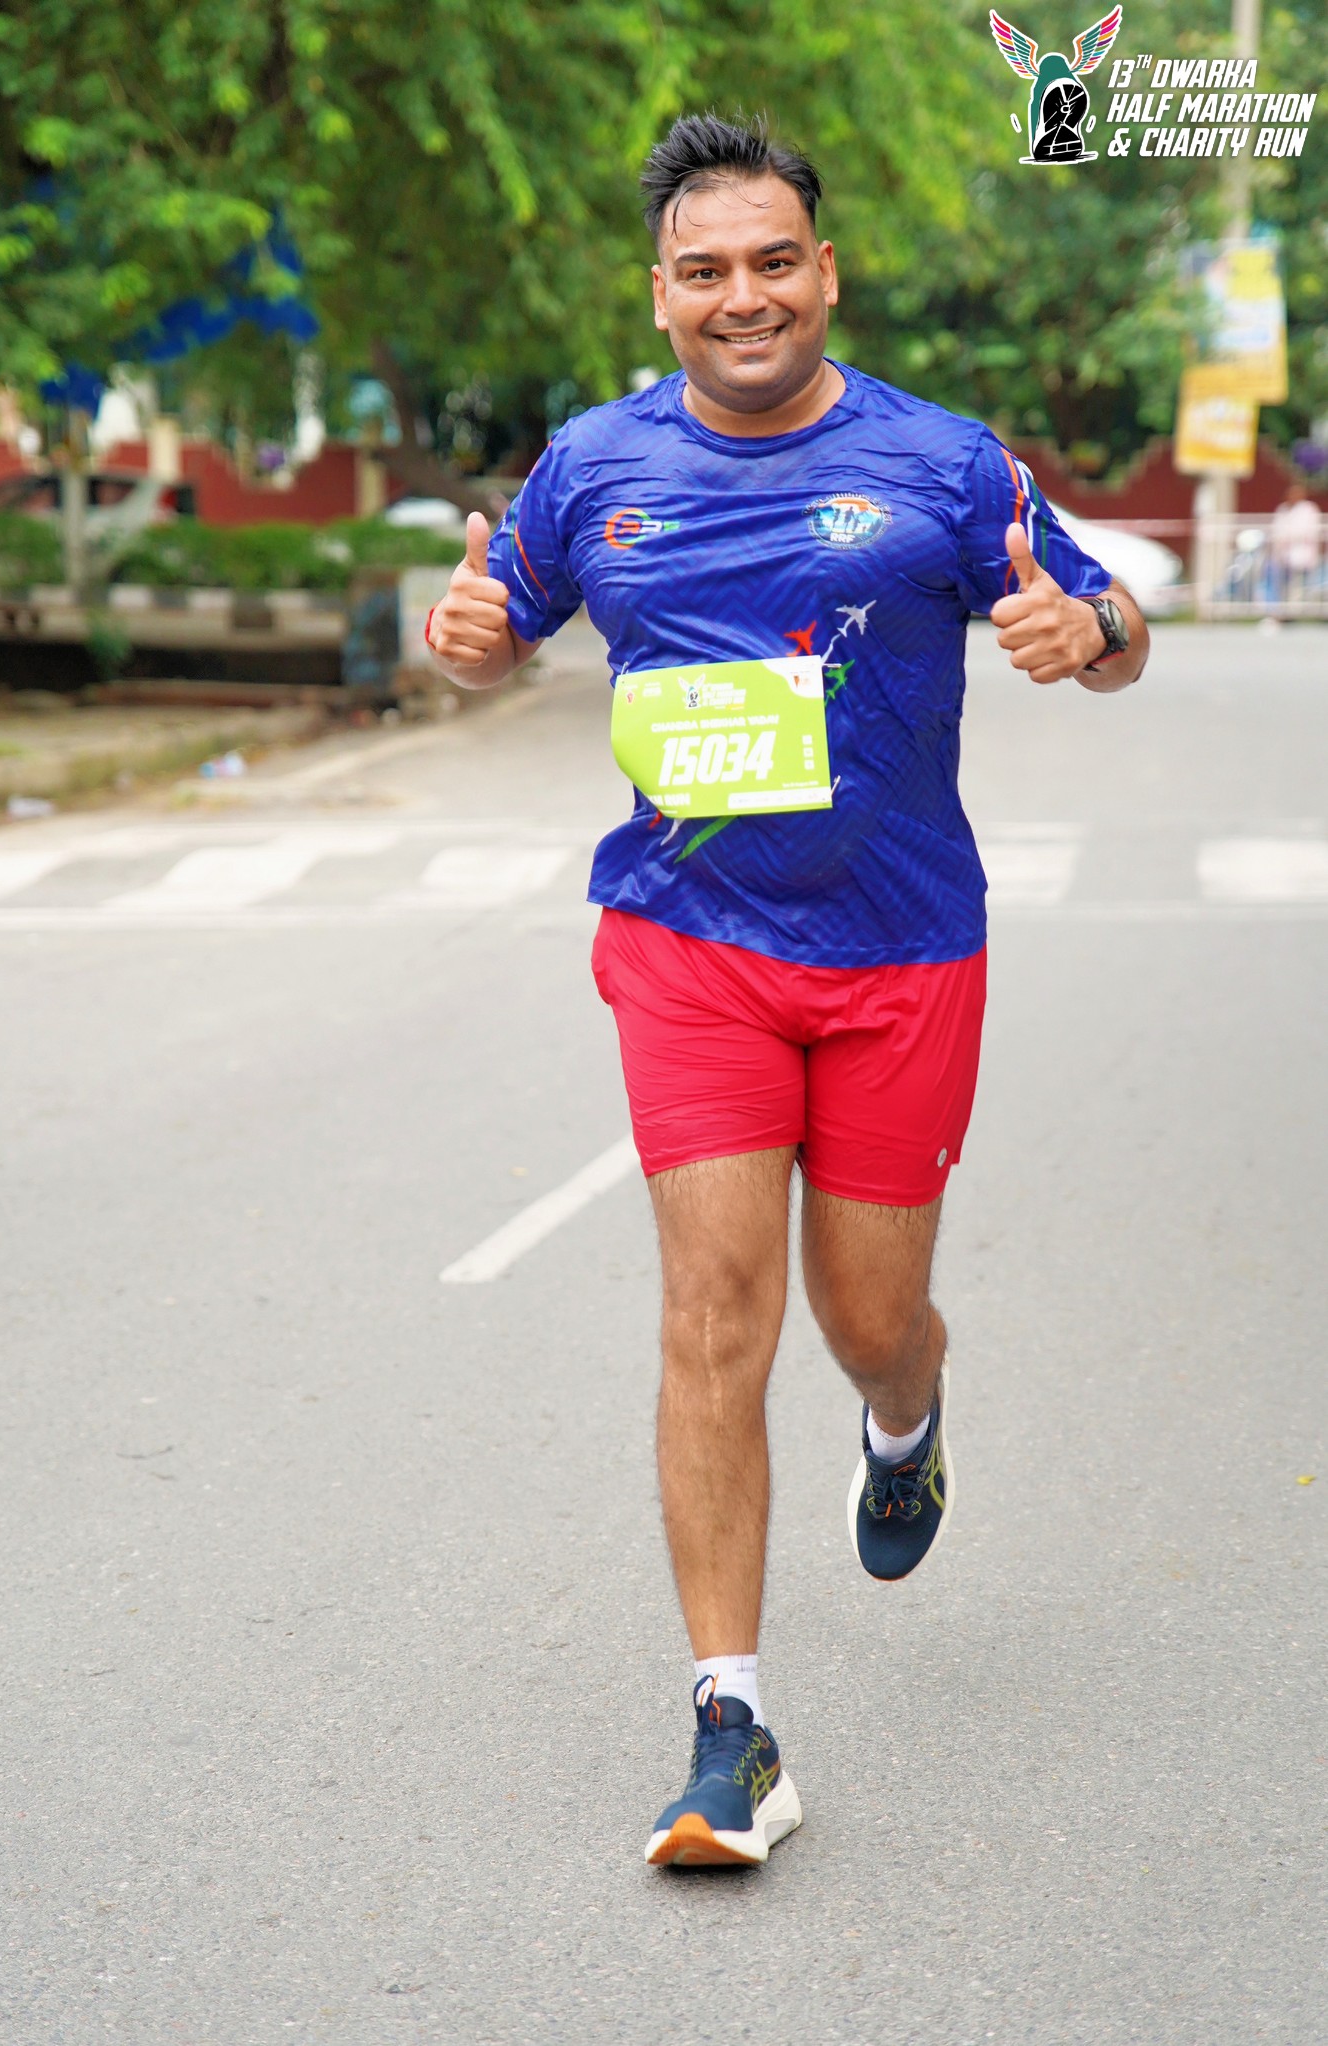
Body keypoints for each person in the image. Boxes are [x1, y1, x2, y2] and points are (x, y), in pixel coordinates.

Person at [425, 112, 1148, 1869]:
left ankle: (906, 1418)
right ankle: (729, 1728)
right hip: (690, 944)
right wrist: (463, 646)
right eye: (704, 271)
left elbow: (1113, 618)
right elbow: (495, 626)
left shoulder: (945, 462)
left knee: (866, 1314)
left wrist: (1089, 637)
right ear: (659, 293)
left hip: (902, 950)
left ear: (824, 272)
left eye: (771, 263)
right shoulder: (593, 464)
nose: (740, 296)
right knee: (712, 1311)